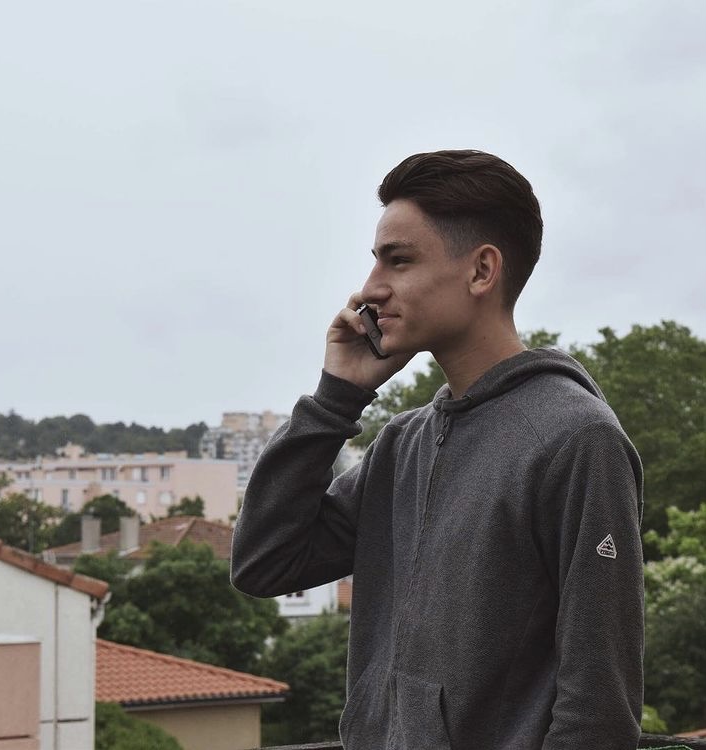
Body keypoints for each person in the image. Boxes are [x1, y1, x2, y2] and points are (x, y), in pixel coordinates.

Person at [231, 149, 644, 750]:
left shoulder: (577, 439)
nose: (370, 288)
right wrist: (335, 398)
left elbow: (599, 710)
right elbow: (265, 563)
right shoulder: (403, 444)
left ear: (482, 271)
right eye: (375, 260)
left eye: (398, 260)